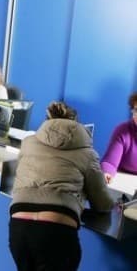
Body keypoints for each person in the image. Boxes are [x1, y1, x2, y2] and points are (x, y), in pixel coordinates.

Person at [9, 101, 114, 271]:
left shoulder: (28, 143)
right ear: (76, 125)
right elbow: (102, 204)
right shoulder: (88, 154)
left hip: (19, 228)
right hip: (57, 230)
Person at [101, 92, 137, 183]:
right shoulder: (122, 130)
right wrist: (107, 173)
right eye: (136, 110)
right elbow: (109, 162)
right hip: (125, 182)